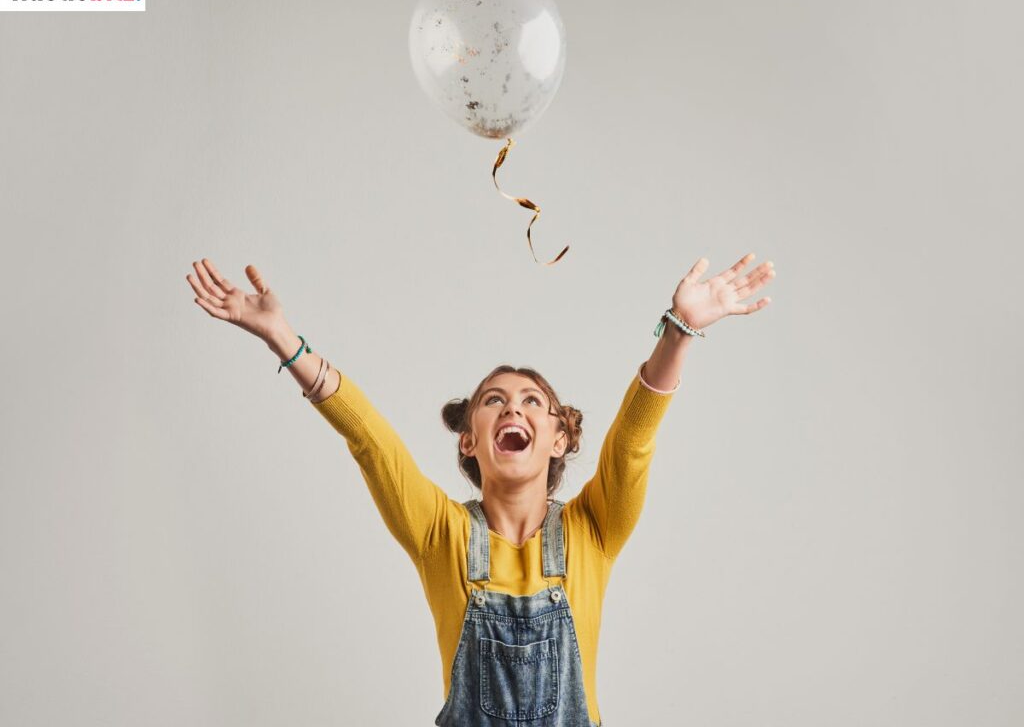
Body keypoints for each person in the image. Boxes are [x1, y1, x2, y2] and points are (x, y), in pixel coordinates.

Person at [186, 253, 775, 726]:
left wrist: (679, 333)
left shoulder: (594, 530)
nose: (512, 409)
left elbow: (632, 443)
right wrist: (283, 338)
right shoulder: (439, 534)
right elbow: (371, 442)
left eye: (532, 402)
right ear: (470, 441)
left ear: (560, 439)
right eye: (494, 400)